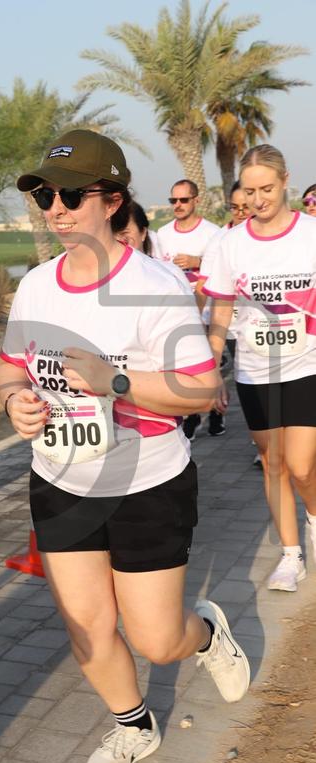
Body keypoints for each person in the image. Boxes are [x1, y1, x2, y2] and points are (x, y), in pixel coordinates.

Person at [0, 129, 250, 763]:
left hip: (148, 481)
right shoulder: (35, 288)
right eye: (44, 196)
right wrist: (15, 400)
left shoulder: (155, 285)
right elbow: (10, 368)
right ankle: (133, 724)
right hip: (60, 479)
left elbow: (201, 389)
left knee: (157, 639)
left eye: (70, 195)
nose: (55, 209)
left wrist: (113, 379)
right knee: (86, 625)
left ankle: (207, 634)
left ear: (111, 200)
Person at [205, 144, 316, 593]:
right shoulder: (229, 244)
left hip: (308, 364)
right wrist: (211, 369)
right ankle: (291, 556)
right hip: (255, 370)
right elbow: (221, 310)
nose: (258, 200)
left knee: (302, 465)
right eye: (249, 192)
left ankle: (314, 518)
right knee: (273, 464)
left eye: (266, 189)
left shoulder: (311, 234)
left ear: (285, 180)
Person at [157, 180, 220, 440]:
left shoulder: (212, 232)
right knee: (185, 366)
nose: (178, 205)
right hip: (178, 313)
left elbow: (223, 268)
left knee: (210, 364)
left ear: (196, 200)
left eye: (183, 200)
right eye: (173, 201)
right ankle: (192, 417)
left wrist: (197, 261)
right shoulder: (162, 234)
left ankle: (216, 413)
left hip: (209, 310)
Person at [196, 182, 252, 438]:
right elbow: (203, 284)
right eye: (234, 207)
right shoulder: (220, 239)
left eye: (245, 207)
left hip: (268, 324)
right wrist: (196, 320)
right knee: (243, 379)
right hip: (230, 325)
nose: (240, 213)